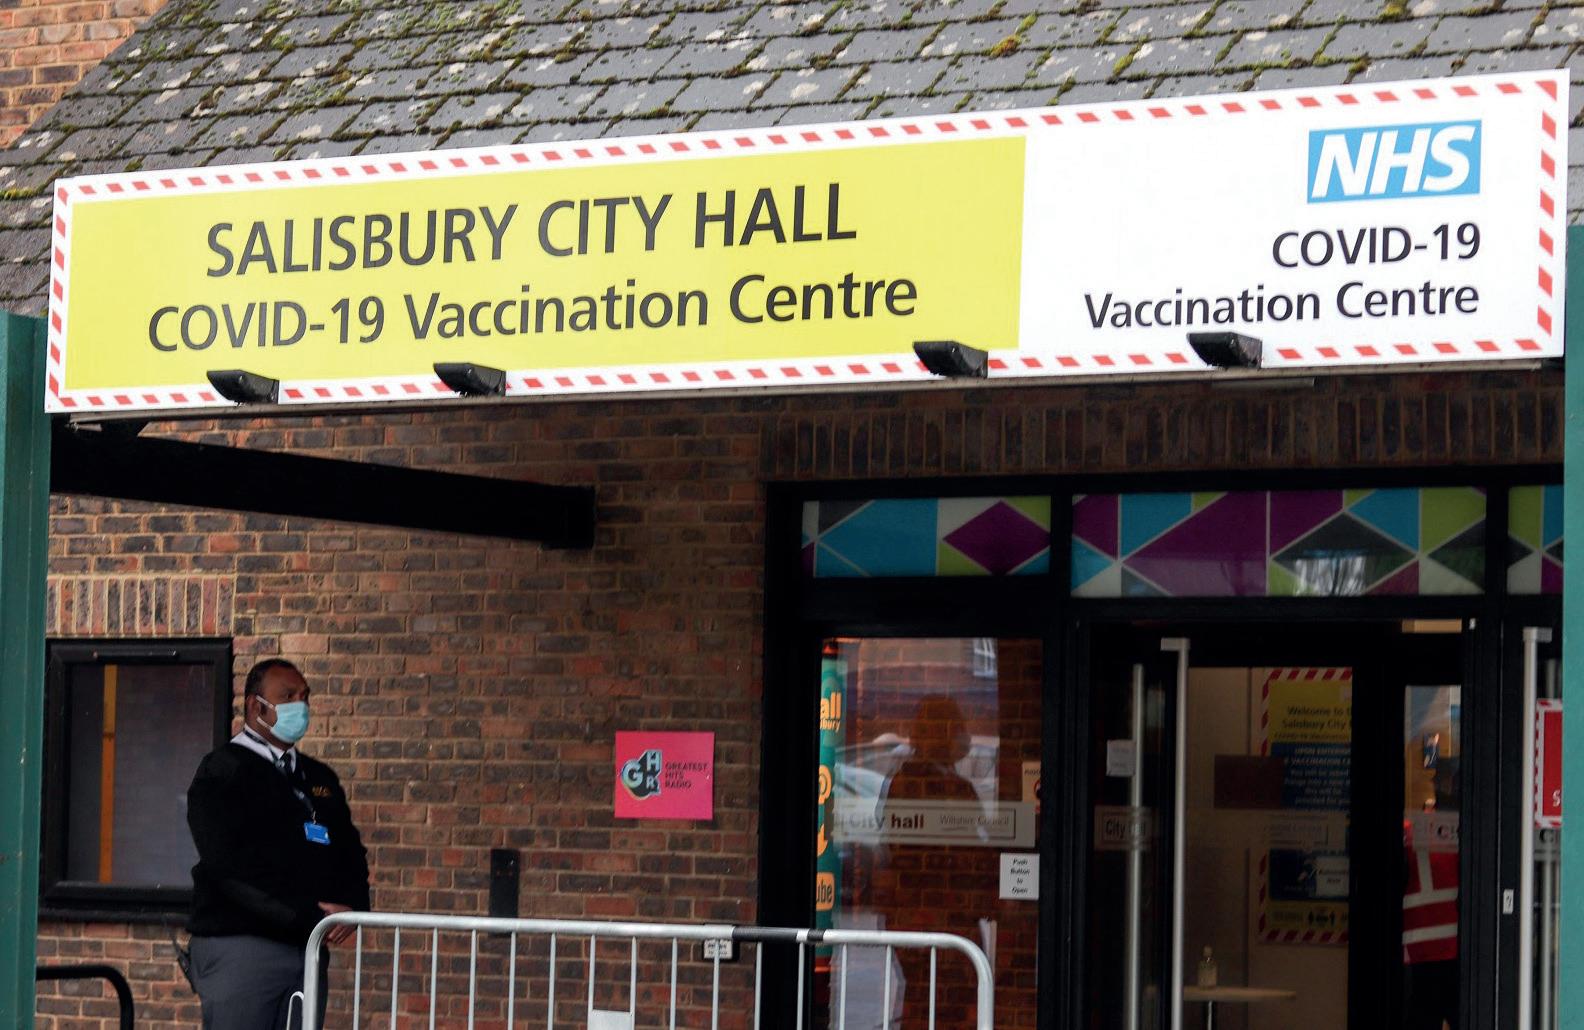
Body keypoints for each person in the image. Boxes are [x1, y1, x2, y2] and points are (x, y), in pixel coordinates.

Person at [186, 658, 370, 1030]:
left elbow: (350, 852)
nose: (301, 706)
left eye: (305, 696)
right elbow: (228, 865)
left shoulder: (317, 777)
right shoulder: (223, 771)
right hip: (243, 945)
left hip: (307, 947)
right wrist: (305, 914)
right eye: (288, 697)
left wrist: (352, 907)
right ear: (257, 707)